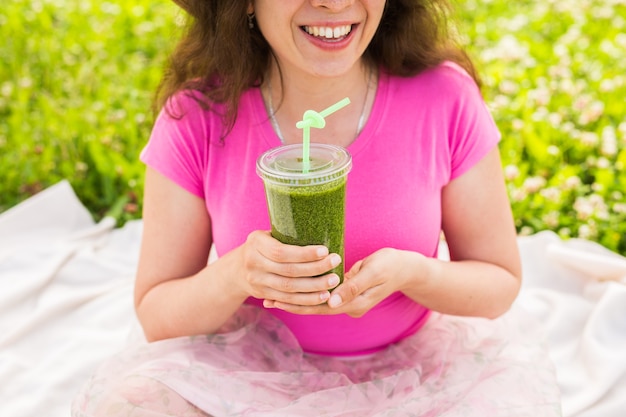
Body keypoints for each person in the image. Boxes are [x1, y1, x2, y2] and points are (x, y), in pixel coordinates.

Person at [72, 0, 561, 415]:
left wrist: (415, 274)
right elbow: (157, 314)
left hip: (416, 370)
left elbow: (498, 284)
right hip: (250, 369)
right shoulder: (199, 117)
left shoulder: (442, 98)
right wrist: (236, 274)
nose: (333, 1)